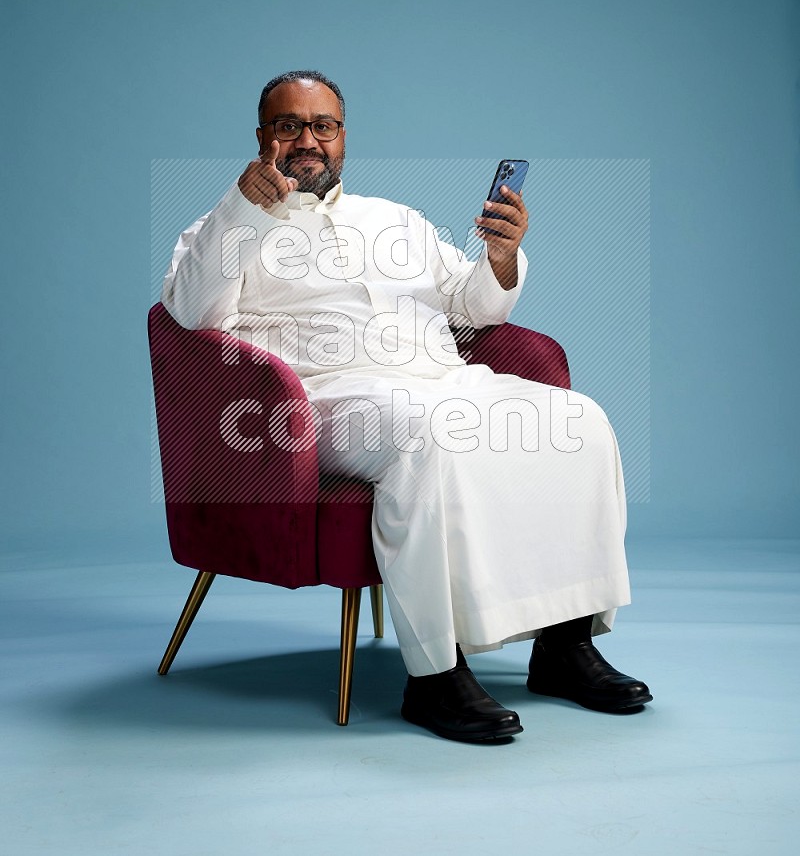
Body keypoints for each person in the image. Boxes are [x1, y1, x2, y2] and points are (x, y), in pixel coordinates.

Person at [161, 69, 652, 742]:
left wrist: (503, 256)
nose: (308, 139)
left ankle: (565, 647)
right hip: (324, 402)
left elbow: (473, 308)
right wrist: (241, 210)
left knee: (579, 422)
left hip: (445, 378)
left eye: (323, 126)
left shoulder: (396, 220)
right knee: (429, 434)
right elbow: (188, 310)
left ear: (342, 137)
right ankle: (434, 676)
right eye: (289, 125)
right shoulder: (221, 226)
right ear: (262, 137)